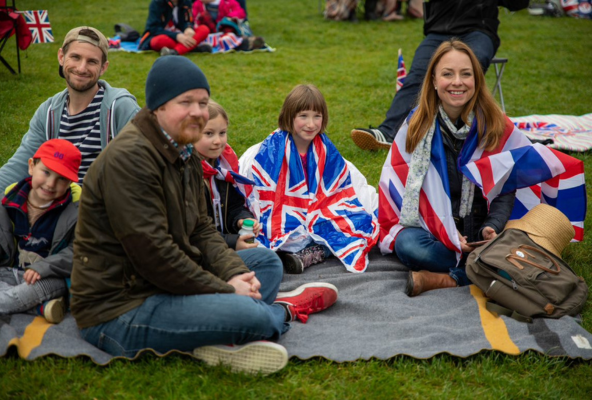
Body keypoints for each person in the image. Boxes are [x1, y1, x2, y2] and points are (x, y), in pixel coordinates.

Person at [70, 57, 338, 375]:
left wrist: (235, 272)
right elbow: (154, 256)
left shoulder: (182, 148)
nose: (198, 112)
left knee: (265, 262)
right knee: (254, 316)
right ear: (158, 106)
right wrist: (226, 289)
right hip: (121, 306)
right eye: (186, 102)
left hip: (166, 280)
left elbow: (200, 226)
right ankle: (280, 311)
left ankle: (217, 334)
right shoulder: (130, 160)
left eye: (202, 102)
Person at [378, 39, 586, 298]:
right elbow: (402, 189)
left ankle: (452, 278)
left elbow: (507, 186)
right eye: (447, 74)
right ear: (433, 80)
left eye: (466, 74)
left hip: (481, 231)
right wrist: (446, 233)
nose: (457, 82)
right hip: (435, 232)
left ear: (476, 80)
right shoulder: (416, 126)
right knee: (409, 245)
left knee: (520, 243)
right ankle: (486, 270)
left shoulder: (494, 123)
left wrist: (493, 227)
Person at [351, 0, 530, 150]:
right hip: (438, 30)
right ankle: (388, 132)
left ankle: (468, 131)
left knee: (470, 70)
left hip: (478, 30)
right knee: (419, 74)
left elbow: (518, 3)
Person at [239, 84, 379, 274]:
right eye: (303, 116)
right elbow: (261, 191)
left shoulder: (326, 151)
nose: (311, 124)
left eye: (317, 116)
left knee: (354, 223)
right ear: (289, 116)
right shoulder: (269, 151)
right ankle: (305, 252)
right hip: (286, 217)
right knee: (275, 233)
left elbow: (339, 185)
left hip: (316, 210)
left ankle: (312, 253)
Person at [0, 26, 140, 200]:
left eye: (92, 61)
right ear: (61, 57)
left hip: (103, 207)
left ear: (103, 67)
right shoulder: (48, 112)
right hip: (55, 202)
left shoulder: (120, 107)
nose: (81, 68)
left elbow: (140, 169)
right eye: (75, 57)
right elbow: (19, 166)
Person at [0, 139, 82, 324]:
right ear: (32, 166)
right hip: (12, 271)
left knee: (27, 292)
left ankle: (2, 305)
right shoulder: (8, 202)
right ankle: (41, 308)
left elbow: (79, 251)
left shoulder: (77, 211)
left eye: (61, 179)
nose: (50, 184)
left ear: (71, 181)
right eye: (46, 172)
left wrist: (44, 267)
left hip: (50, 278)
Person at [197, 99, 260, 250]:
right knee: (270, 261)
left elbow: (234, 206)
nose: (218, 141)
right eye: (209, 133)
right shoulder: (185, 174)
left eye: (222, 133)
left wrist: (242, 219)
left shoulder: (223, 168)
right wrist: (232, 243)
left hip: (223, 247)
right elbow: (195, 231)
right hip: (201, 251)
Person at [138, 0, 211, 56]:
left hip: (183, 36)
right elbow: (153, 28)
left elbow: (189, 20)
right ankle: (193, 49)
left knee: (204, 29)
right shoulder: (157, 3)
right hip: (165, 36)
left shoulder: (186, 2)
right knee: (159, 41)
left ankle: (174, 52)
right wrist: (176, 36)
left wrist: (188, 28)